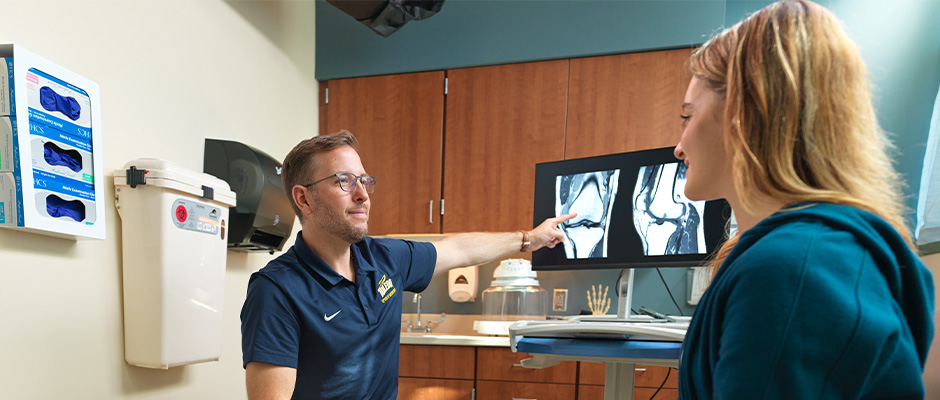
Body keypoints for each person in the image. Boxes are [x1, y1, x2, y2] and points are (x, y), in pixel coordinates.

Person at [673, 0, 935, 398]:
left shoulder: (789, 269)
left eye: (687, 117)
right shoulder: (807, 256)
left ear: (742, 113)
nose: (678, 146)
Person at [240, 130, 574, 399]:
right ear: (304, 199)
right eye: (344, 181)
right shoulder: (276, 291)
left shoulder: (385, 259)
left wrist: (529, 238)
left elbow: (459, 249)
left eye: (365, 181)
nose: (363, 194)